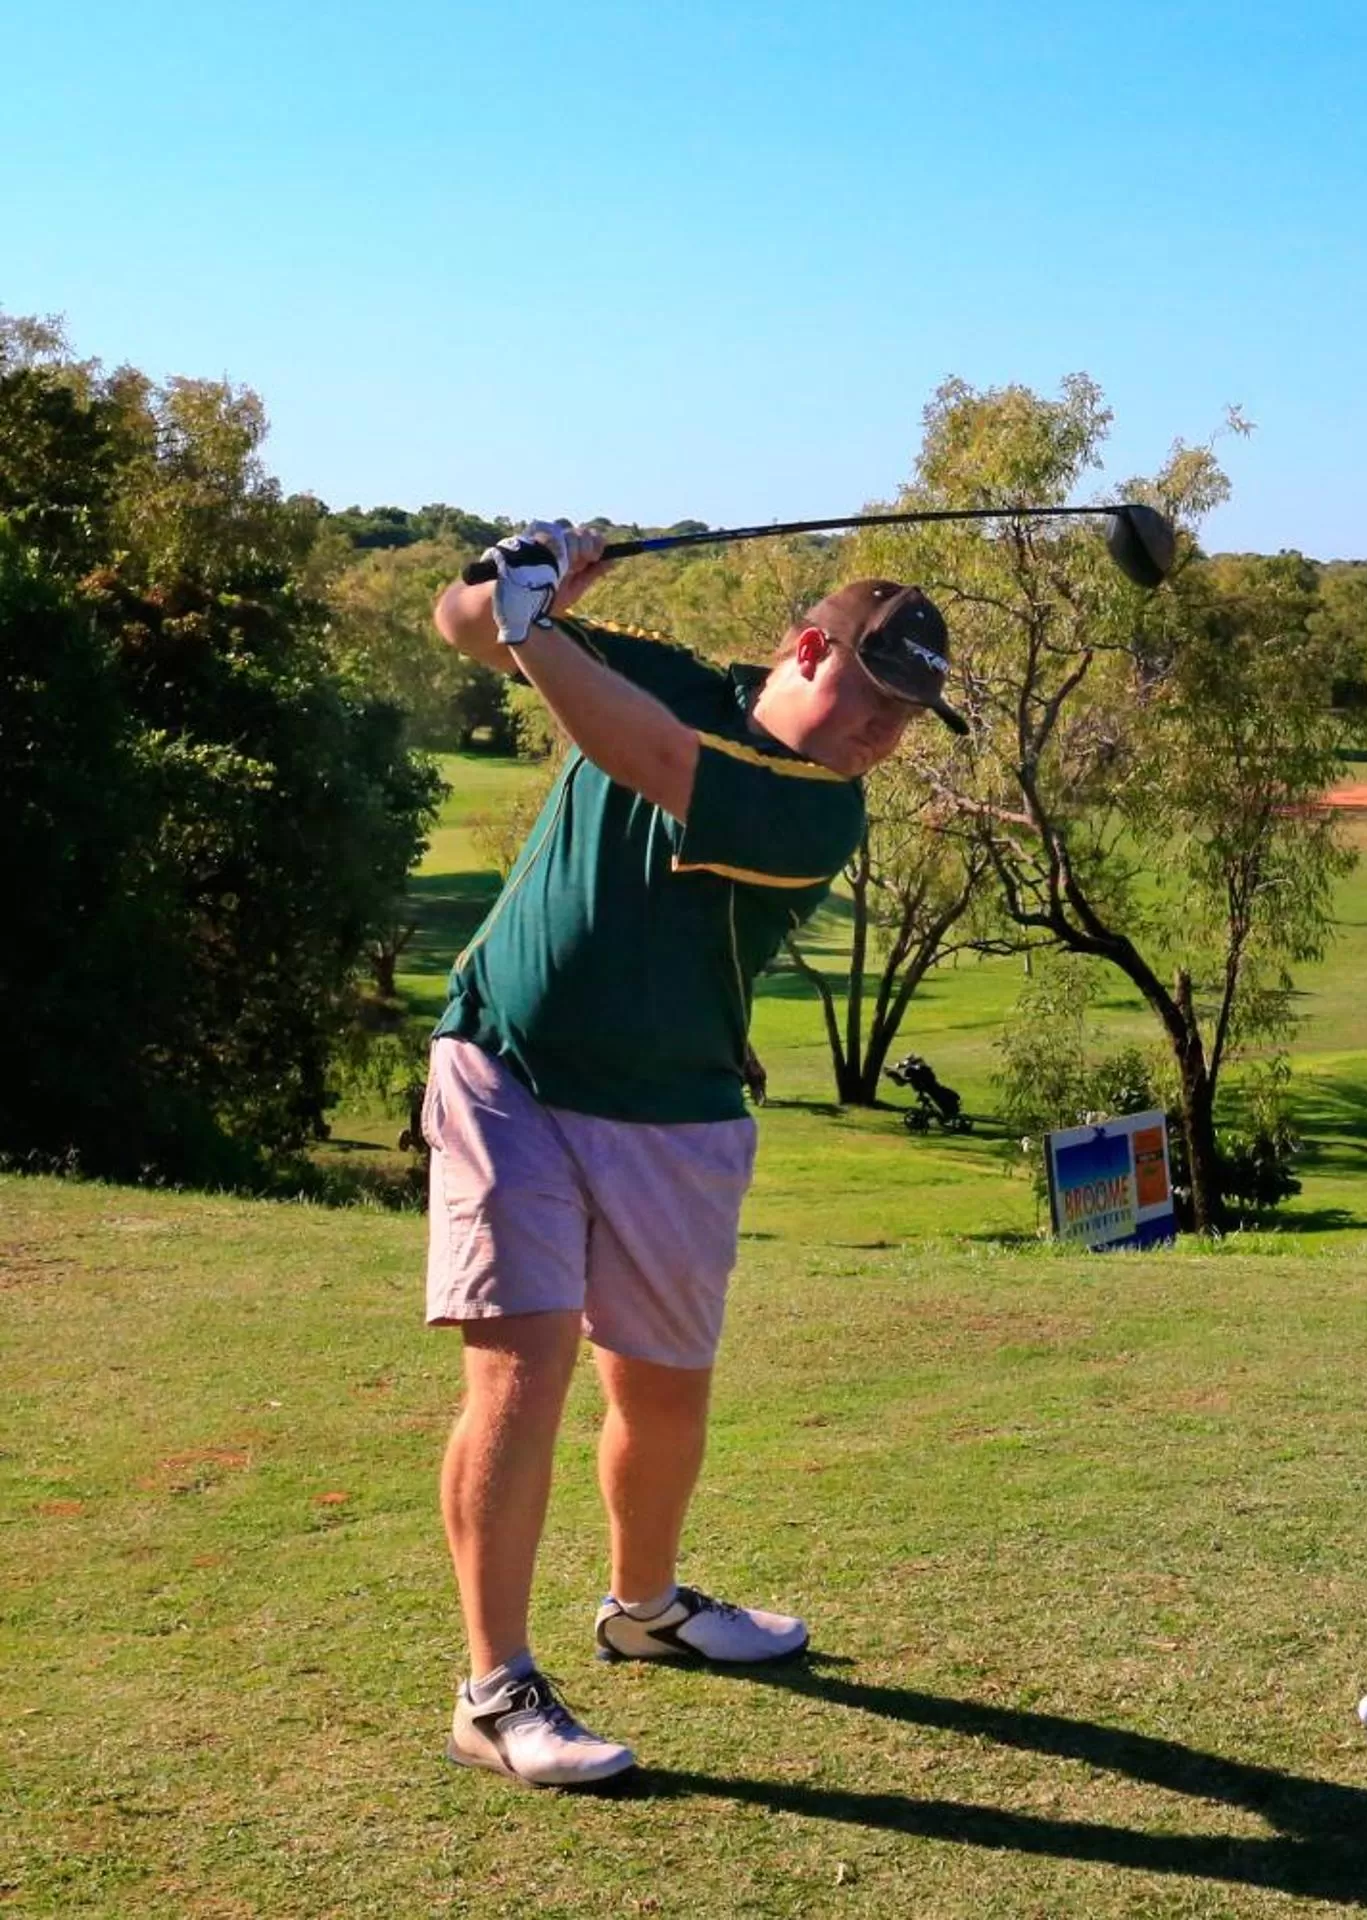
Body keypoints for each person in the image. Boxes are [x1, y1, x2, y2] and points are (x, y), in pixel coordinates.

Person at [422, 522, 960, 1787]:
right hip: (509, 1064)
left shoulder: (817, 810)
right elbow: (460, 628)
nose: (883, 734)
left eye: (907, 720)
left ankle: (645, 1608)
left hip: (680, 1106)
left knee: (661, 1391)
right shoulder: (665, 670)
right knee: (524, 1363)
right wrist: (514, 579)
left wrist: (536, 624)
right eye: (871, 696)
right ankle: (495, 1690)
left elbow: (649, 757)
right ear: (809, 647)